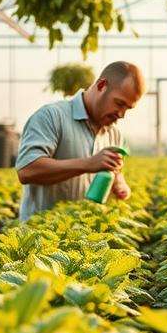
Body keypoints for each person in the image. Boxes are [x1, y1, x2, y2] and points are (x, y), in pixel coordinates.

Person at [16, 61, 145, 220]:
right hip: (41, 236)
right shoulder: (52, 116)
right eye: (119, 103)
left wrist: (119, 183)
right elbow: (27, 170)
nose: (121, 114)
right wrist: (88, 164)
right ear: (101, 85)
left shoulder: (114, 134)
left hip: (84, 238)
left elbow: (114, 174)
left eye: (128, 108)